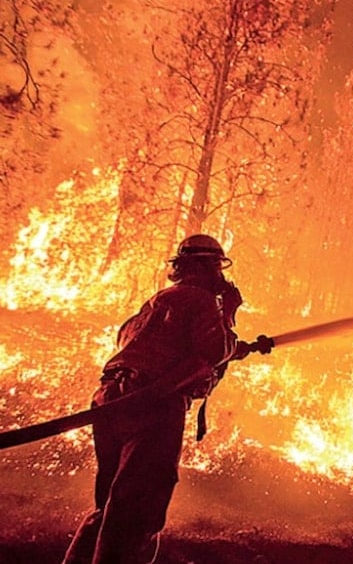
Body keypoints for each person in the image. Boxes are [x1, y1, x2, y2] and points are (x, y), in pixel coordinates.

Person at [63, 234, 259, 564]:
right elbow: (213, 350)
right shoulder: (201, 300)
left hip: (110, 401)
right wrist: (228, 316)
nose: (220, 276)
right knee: (136, 512)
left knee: (109, 506)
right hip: (152, 404)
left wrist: (235, 347)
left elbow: (156, 347)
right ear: (207, 267)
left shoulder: (158, 302)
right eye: (216, 267)